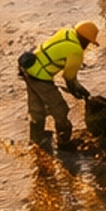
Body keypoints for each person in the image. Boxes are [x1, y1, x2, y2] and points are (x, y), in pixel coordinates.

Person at [19, 19, 98, 149]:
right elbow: (69, 78)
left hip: (28, 69)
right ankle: (64, 142)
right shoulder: (76, 50)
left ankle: (36, 141)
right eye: (88, 42)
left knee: (37, 109)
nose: (88, 45)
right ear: (85, 40)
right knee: (60, 109)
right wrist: (81, 92)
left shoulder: (65, 32)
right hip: (41, 78)